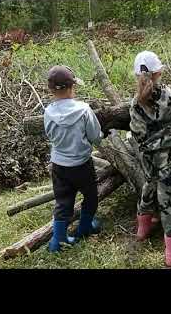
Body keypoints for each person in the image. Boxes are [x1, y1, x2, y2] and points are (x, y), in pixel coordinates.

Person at [129, 51, 171, 267]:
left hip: (147, 155)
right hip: (170, 154)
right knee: (168, 197)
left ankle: (142, 229)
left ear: (137, 74)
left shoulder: (135, 103)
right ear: (159, 71)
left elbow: (136, 132)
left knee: (150, 185)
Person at [44, 65, 103, 253]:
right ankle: (85, 227)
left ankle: (58, 240)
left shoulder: (48, 112)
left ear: (51, 90)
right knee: (91, 196)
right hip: (81, 164)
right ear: (72, 87)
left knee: (63, 201)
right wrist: (102, 135)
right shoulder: (84, 110)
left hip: (59, 165)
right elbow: (95, 136)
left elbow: (49, 135)